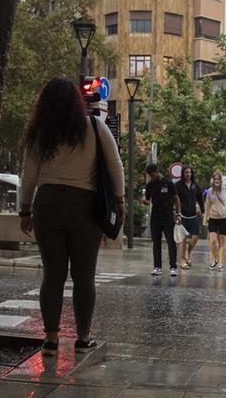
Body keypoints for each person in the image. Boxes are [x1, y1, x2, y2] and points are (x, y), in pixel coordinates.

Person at [19, 76, 124, 357]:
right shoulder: (94, 126)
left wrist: (25, 209)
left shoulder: (39, 132)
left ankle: (51, 339)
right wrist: (119, 199)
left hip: (48, 204)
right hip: (84, 206)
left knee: (52, 275)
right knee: (84, 275)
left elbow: (28, 175)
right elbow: (115, 165)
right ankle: (83, 337)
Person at [143, 163, 180, 277]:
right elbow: (148, 199)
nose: (151, 177)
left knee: (170, 242)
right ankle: (157, 267)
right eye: (149, 175)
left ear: (157, 171)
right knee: (156, 242)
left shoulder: (168, 183)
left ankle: (173, 267)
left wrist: (178, 213)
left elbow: (176, 198)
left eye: (152, 174)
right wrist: (145, 202)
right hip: (155, 216)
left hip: (168, 215)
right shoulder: (150, 185)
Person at [174, 165, 203, 269]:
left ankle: (188, 252)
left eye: (190, 172)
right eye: (186, 172)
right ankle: (182, 260)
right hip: (182, 215)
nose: (188, 174)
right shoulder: (177, 185)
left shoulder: (195, 185)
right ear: (183, 174)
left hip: (193, 216)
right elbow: (174, 199)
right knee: (183, 239)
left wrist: (202, 211)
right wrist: (177, 213)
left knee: (195, 237)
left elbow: (200, 198)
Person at [204, 171, 226, 271]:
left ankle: (221, 262)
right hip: (212, 218)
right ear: (213, 180)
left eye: (218, 179)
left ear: (221, 180)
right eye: (215, 179)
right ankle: (214, 259)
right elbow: (207, 206)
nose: (216, 181)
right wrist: (205, 219)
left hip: (224, 218)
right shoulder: (209, 191)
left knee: (222, 242)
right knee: (212, 241)